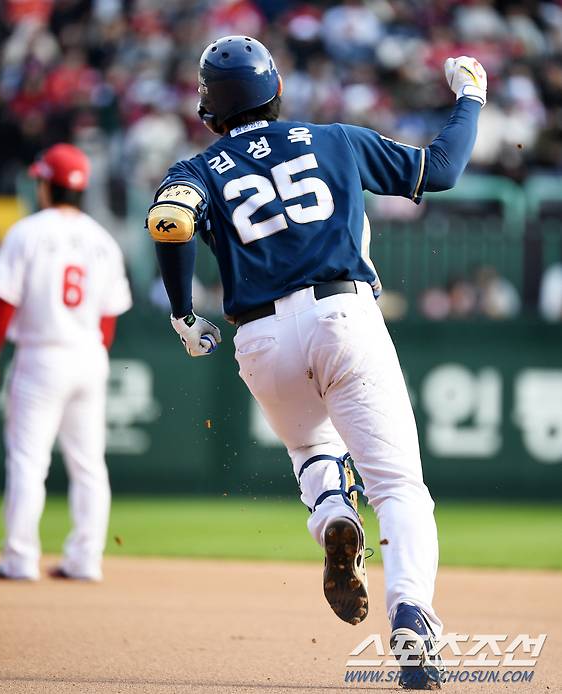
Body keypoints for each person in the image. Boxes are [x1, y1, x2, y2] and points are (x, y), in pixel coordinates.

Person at [147, 36, 486, 690]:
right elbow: (441, 170)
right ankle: (411, 614)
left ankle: (331, 511)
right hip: (343, 314)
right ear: (275, 89)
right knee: (399, 489)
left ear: (209, 107)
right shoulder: (333, 138)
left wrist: (184, 312)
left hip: (261, 338)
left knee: (310, 447)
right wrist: (470, 94)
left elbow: (169, 222)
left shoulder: (200, 166)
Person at [0, 143, 132, 581]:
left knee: (27, 461)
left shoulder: (28, 232)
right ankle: (86, 559)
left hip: (42, 356)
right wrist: (92, 355)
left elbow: (5, 301)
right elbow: (108, 320)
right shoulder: (102, 239)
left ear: (46, 184)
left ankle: (20, 558)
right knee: (89, 464)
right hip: (89, 355)